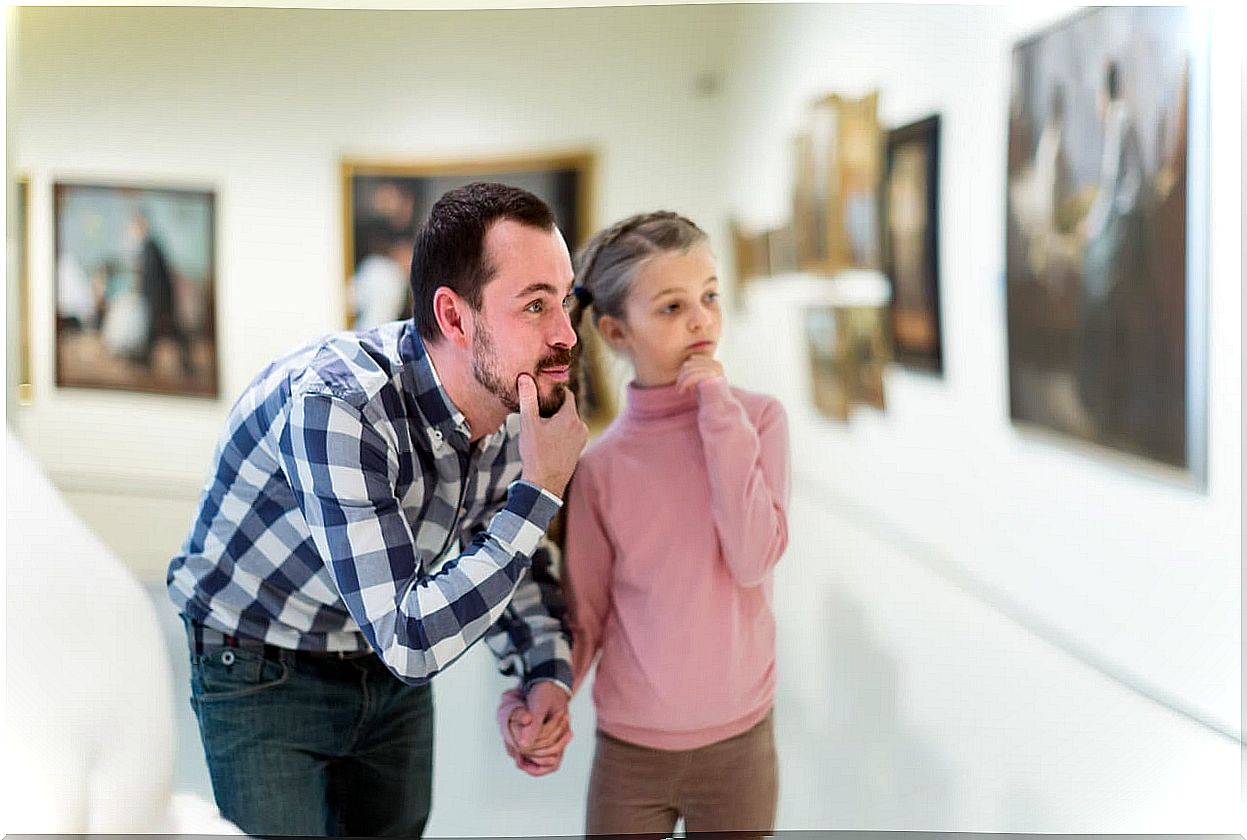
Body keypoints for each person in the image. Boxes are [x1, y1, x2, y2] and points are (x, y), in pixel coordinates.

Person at [166, 182, 588, 837]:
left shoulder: (514, 403)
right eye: (535, 305)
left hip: (382, 660)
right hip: (259, 661)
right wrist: (542, 491)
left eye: (564, 302)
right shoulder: (338, 406)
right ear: (454, 318)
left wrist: (544, 676)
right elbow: (411, 637)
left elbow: (512, 555)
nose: (565, 334)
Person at [498, 211, 791, 837]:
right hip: (630, 750)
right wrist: (540, 696)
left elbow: (752, 556)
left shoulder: (759, 422)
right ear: (614, 329)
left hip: (738, 744)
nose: (701, 320)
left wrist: (716, 406)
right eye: (671, 306)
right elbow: (588, 614)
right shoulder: (600, 468)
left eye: (711, 296)